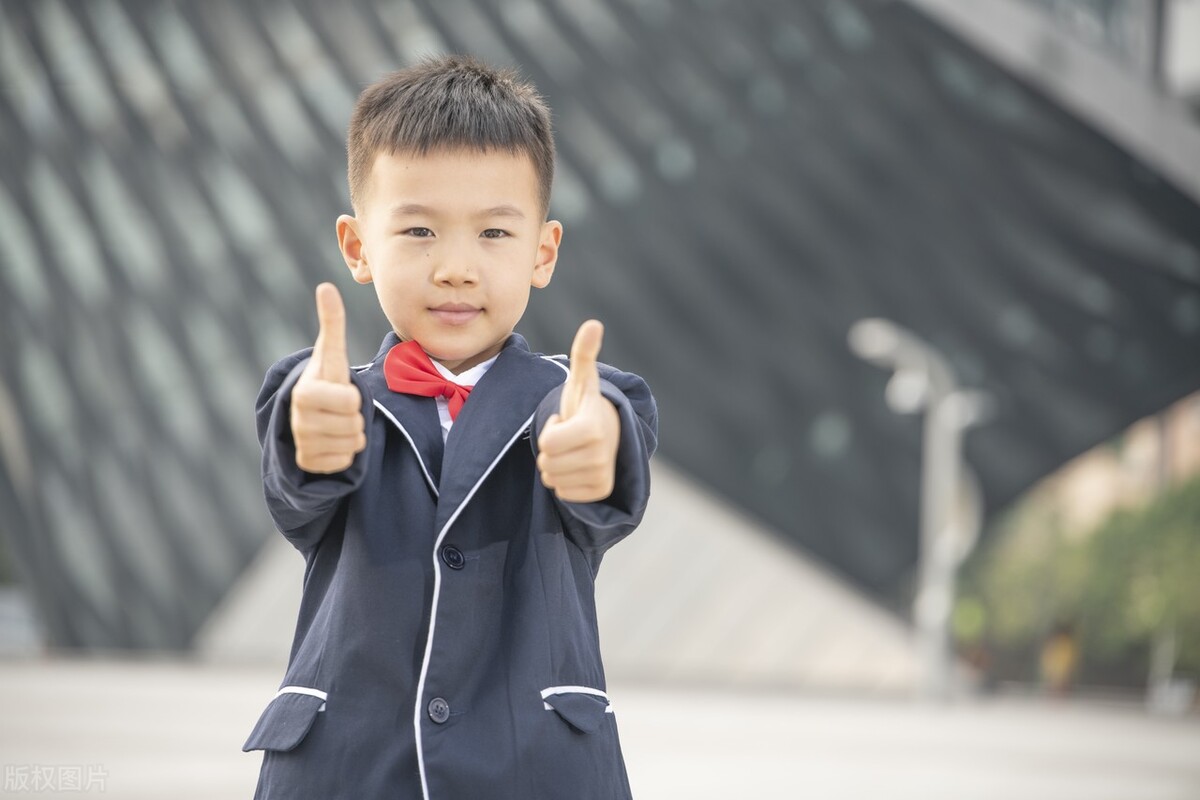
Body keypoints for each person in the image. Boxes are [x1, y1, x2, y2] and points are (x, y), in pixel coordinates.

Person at [242, 56, 658, 800]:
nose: (457, 268)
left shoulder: (578, 401)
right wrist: (313, 436)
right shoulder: (325, 395)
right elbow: (295, 479)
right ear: (357, 247)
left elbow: (607, 451)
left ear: (543, 251)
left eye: (495, 232)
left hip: (535, 775)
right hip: (348, 774)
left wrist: (594, 448)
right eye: (420, 231)